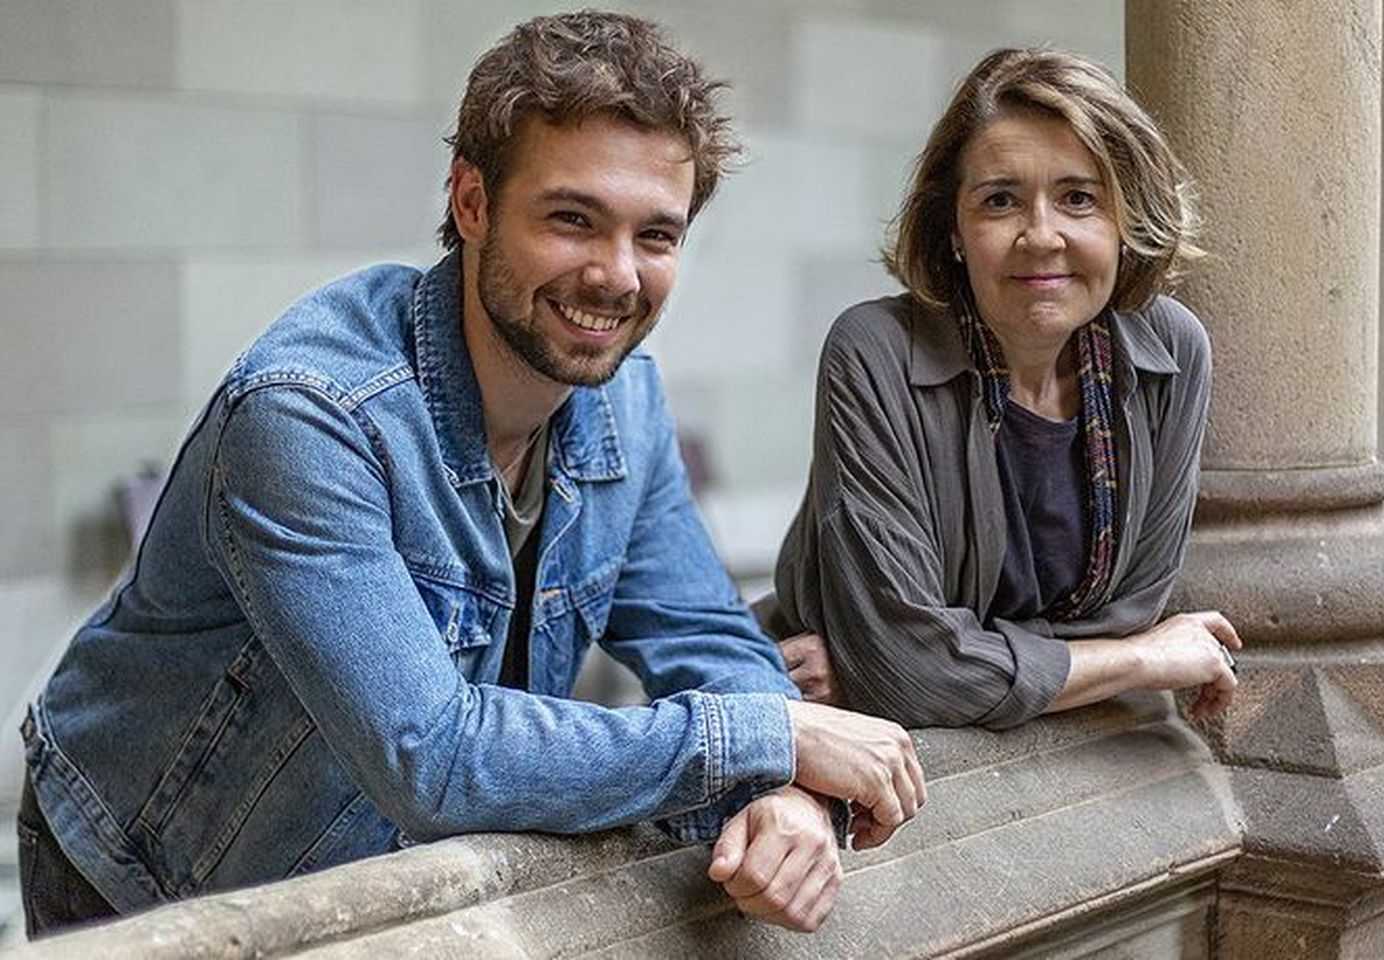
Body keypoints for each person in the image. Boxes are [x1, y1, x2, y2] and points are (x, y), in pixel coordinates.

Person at [17, 12, 924, 940]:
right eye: (573, 219)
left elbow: (699, 628)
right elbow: (432, 754)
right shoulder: (311, 415)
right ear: (472, 202)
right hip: (149, 872)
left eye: (656, 235)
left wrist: (781, 791)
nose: (617, 275)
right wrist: (771, 736)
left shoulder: (627, 402)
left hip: (380, 866)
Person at [765, 49, 1241, 730]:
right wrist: (1141, 660)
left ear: (1125, 221)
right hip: (817, 722)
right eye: (1000, 201)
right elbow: (909, 672)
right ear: (954, 230)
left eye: (1079, 198)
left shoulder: (1173, 352)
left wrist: (917, 660)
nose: (1041, 236)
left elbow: (1130, 608)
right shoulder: (873, 352)